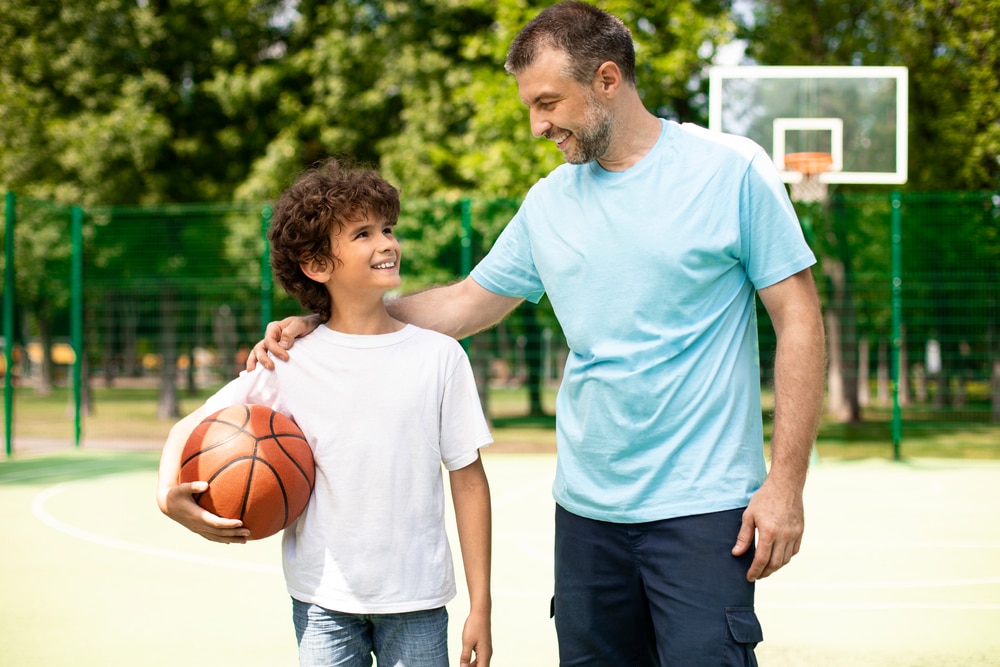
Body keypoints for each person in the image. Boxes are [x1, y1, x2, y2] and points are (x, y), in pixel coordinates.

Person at [251, 2, 826, 665]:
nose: (537, 124)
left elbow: (798, 318)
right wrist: (328, 316)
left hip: (703, 509)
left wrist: (785, 484)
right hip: (586, 515)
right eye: (529, 105)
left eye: (548, 102)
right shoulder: (549, 203)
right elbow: (467, 303)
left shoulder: (732, 170)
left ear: (607, 80)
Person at [157, 159, 494, 667]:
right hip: (322, 602)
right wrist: (167, 496)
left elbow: (468, 481)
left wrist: (481, 604)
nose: (386, 243)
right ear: (317, 265)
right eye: (362, 233)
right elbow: (189, 427)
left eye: (387, 228)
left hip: (418, 599)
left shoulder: (439, 356)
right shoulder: (288, 361)